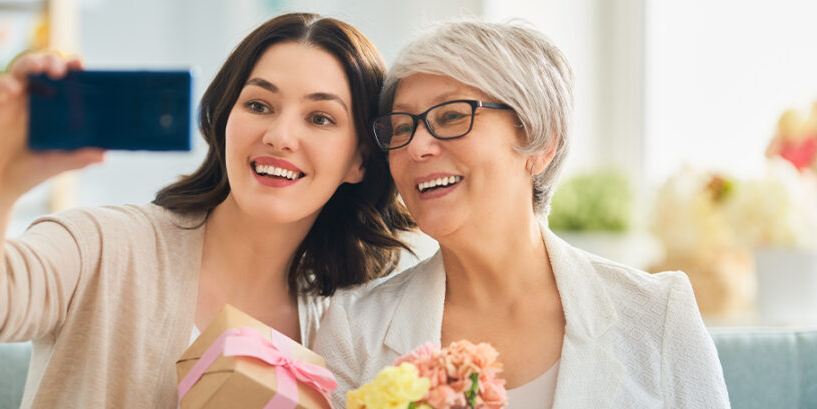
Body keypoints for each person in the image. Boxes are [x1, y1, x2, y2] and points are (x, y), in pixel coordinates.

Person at [0, 12, 413, 408]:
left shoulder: (343, 326)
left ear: (359, 160)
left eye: (320, 118)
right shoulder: (106, 245)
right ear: (225, 119)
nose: (280, 135)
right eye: (259, 105)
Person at [313, 18, 731, 408]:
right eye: (402, 127)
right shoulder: (355, 329)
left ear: (539, 141)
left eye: (452, 116)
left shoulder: (658, 314)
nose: (417, 146)